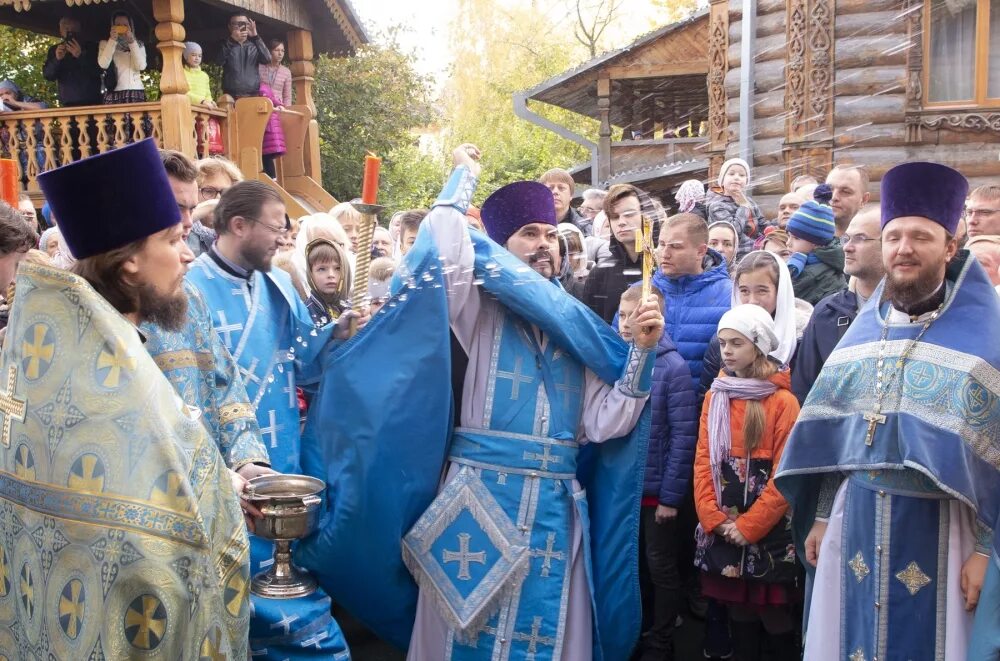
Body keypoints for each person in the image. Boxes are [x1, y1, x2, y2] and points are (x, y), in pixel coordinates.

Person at [3, 138, 251, 656]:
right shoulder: (107, 381)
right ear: (131, 262)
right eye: (174, 238)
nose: (189, 253)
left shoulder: (71, 351)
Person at [776, 161, 1000, 660]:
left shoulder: (989, 340)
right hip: (854, 522)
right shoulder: (861, 334)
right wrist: (818, 516)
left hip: (945, 534)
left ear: (950, 246)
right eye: (894, 236)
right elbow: (837, 439)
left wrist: (987, 551)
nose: (904, 248)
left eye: (921, 236)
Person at [186, 180, 352, 658]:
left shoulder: (279, 284)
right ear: (239, 225)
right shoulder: (189, 287)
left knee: (286, 558)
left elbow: (305, 360)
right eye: (276, 228)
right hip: (225, 461)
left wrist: (338, 335)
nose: (284, 239)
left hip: (282, 449)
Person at [142, 148, 271, 532]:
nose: (187, 222)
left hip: (213, 503)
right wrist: (214, 476)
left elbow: (225, 386)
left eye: (191, 207)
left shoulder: (187, 297)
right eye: (175, 207)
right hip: (155, 507)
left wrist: (248, 462)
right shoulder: (100, 313)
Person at [694, 304, 802, 661]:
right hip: (724, 523)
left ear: (757, 346)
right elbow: (703, 461)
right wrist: (713, 518)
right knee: (735, 607)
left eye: (736, 343)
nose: (726, 350)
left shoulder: (783, 402)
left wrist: (751, 526)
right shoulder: (716, 395)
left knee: (771, 613)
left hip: (766, 529)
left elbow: (785, 473)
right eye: (723, 342)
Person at [619, 283, 698, 661]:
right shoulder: (615, 358)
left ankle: (662, 639)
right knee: (630, 564)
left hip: (654, 493)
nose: (624, 324)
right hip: (623, 489)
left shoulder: (673, 367)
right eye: (621, 315)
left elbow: (683, 437)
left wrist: (670, 498)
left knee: (660, 566)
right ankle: (635, 628)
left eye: (634, 317)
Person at [791, 204, 884, 404]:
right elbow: (804, 390)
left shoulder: (908, 313)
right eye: (846, 238)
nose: (847, 247)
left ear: (890, 243)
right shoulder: (827, 312)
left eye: (860, 238)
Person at [700, 250, 799, 400]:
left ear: (780, 292)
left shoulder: (799, 340)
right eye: (744, 291)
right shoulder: (722, 340)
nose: (752, 300)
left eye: (762, 291)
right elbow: (706, 397)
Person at [652, 212, 733, 389]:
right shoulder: (643, 291)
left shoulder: (730, 295)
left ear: (700, 251)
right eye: (662, 244)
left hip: (705, 407)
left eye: (676, 247)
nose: (665, 253)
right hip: (648, 406)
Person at [582, 183, 648, 322]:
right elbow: (591, 326)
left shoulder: (664, 266)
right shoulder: (601, 272)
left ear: (645, 215)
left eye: (629, 214)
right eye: (614, 217)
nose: (621, 222)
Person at [784, 184, 847, 304]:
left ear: (817, 243)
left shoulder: (821, 275)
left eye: (796, 238)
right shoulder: (800, 263)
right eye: (789, 236)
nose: (788, 243)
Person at [705, 158, 765, 261]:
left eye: (742, 175)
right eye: (731, 174)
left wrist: (769, 235)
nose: (736, 178)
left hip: (755, 253)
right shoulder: (717, 206)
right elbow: (735, 230)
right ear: (722, 181)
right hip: (734, 256)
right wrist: (743, 207)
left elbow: (761, 223)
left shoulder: (750, 202)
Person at [43, 15, 103, 107]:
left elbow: (98, 70)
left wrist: (80, 56)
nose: (70, 32)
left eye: (73, 29)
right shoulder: (55, 50)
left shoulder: (92, 47)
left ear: (79, 30)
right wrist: (57, 59)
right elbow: (48, 76)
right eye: (66, 29)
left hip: (92, 102)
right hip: (68, 103)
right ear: (61, 31)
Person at [98, 11, 147, 104]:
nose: (122, 27)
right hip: (115, 92)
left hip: (136, 91)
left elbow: (141, 66)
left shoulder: (139, 44)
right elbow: (103, 64)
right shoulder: (105, 43)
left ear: (131, 27)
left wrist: (132, 42)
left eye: (125, 25)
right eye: (118, 25)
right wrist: (112, 40)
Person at [218, 13, 270, 99]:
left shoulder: (255, 45)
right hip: (231, 95)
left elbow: (267, 59)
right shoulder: (225, 44)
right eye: (235, 23)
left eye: (243, 23)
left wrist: (256, 36)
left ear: (248, 26)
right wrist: (231, 41)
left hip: (253, 95)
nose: (239, 26)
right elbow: (219, 61)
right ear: (229, 27)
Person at [305, 236, 352, 325]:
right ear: (311, 274)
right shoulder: (306, 312)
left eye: (338, 268)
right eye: (322, 269)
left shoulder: (350, 306)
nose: (331, 275)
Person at [540, 167, 590, 235]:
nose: (555, 192)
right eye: (550, 188)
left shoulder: (586, 228)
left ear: (571, 195)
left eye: (561, 188)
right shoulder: (528, 225)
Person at [825, 164, 870, 236]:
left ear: (864, 200)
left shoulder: (873, 244)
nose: (833, 197)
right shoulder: (807, 240)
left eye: (845, 192)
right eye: (828, 190)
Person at [259, 79, 286, 178]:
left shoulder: (260, 89)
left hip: (266, 126)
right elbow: (274, 100)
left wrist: (279, 105)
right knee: (266, 156)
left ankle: (271, 179)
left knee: (264, 156)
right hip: (268, 127)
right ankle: (272, 179)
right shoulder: (265, 87)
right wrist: (280, 105)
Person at [260, 38, 293, 107]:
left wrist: (286, 112)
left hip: (279, 108)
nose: (280, 53)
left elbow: (287, 96)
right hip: (262, 107)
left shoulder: (286, 72)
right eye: (277, 50)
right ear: (270, 51)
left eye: (282, 51)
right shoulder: (260, 68)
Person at [183, 41, 215, 107]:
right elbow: (183, 93)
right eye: (193, 55)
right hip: (187, 108)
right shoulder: (181, 73)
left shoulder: (204, 76)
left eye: (199, 56)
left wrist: (211, 102)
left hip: (204, 110)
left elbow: (207, 94)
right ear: (186, 57)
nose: (197, 58)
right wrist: (201, 101)